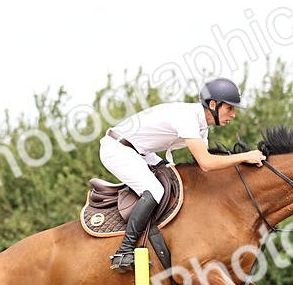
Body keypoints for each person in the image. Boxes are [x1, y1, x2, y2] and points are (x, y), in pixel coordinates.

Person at [100, 77, 266, 272]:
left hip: (142, 152)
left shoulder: (201, 125)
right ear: (213, 104)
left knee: (173, 180)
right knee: (155, 190)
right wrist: (244, 156)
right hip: (117, 149)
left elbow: (205, 164)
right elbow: (206, 163)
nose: (233, 114)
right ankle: (124, 251)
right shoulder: (187, 118)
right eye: (229, 108)